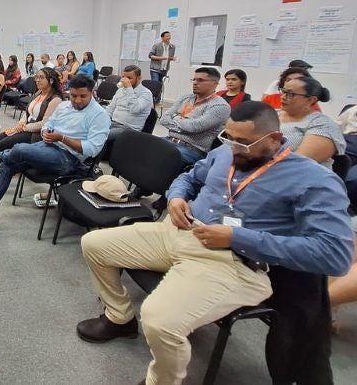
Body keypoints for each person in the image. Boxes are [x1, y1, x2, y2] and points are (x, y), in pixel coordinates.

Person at [77, 101, 353, 385]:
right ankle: (120, 318)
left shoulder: (314, 180)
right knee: (94, 244)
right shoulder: (225, 152)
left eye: (243, 143)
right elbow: (188, 177)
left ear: (274, 140)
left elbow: (334, 255)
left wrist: (237, 236)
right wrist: (176, 197)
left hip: (231, 260)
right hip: (182, 231)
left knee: (159, 320)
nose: (233, 147)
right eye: (228, 137)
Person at [0, 74, 110, 228]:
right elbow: (48, 123)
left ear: (92, 93)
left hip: (70, 159)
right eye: (73, 96)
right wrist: (47, 132)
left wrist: (61, 138)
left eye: (83, 96)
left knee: (19, 149)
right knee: (9, 164)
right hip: (48, 146)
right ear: (69, 93)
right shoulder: (64, 106)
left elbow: (92, 149)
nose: (77, 100)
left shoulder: (99, 115)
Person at [0, 67, 64, 191]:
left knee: (1, 145)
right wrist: (21, 123)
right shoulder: (39, 93)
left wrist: (25, 127)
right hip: (26, 127)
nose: (37, 80)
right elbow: (28, 112)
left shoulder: (55, 99)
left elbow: (44, 124)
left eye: (41, 78)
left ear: (51, 81)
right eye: (37, 77)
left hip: (37, 134)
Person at [159, 67, 230, 166]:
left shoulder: (220, 106)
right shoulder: (185, 98)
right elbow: (163, 119)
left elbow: (194, 127)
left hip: (192, 149)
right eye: (194, 79)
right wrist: (185, 122)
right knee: (141, 147)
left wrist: (175, 117)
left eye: (200, 80)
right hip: (169, 140)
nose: (195, 83)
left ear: (214, 83)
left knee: (158, 158)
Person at [279, 76, 345, 168]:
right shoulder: (273, 114)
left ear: (310, 100)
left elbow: (298, 163)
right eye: (283, 91)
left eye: (290, 94)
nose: (283, 97)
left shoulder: (323, 125)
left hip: (299, 177)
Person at [106, 65, 153, 140]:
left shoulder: (146, 93)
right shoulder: (120, 90)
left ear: (139, 78)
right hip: (113, 123)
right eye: (123, 77)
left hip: (129, 129)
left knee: (102, 136)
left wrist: (129, 88)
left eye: (129, 78)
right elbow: (110, 109)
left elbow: (135, 109)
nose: (125, 80)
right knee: (88, 130)